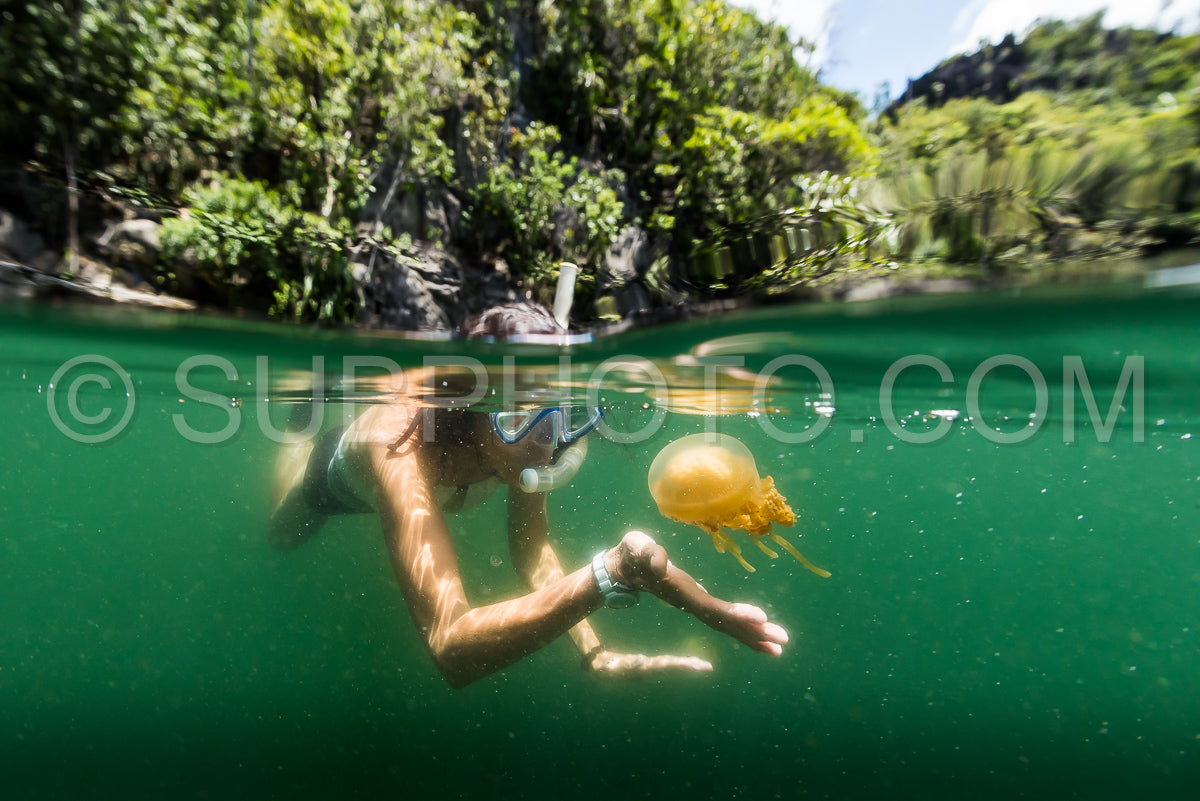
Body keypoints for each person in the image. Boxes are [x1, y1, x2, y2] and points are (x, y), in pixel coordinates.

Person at [269, 302, 789, 688]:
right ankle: (300, 420)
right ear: (469, 408)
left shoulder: (521, 446)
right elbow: (450, 646)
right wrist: (604, 576)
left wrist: (596, 653)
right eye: (523, 418)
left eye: (556, 415)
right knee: (285, 533)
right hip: (335, 482)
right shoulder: (397, 444)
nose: (546, 441)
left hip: (446, 468)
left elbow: (531, 551)